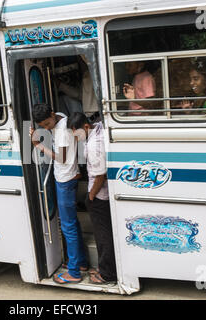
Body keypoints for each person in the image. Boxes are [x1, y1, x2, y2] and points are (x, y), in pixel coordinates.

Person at [30, 103, 88, 284]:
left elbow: (61, 158)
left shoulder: (62, 132)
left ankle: (74, 273)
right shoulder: (61, 118)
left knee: (68, 227)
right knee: (73, 224)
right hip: (68, 177)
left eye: (47, 124)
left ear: (53, 114)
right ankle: (81, 262)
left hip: (64, 180)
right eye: (44, 126)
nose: (47, 128)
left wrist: (38, 145)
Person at [67, 112, 117, 284]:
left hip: (100, 197)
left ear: (86, 127)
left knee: (103, 236)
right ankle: (105, 268)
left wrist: (90, 196)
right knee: (106, 234)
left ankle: (107, 274)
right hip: (104, 194)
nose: (77, 138)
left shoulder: (93, 146)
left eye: (78, 134)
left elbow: (99, 176)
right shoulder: (98, 128)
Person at [56, 56, 100, 121]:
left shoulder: (90, 75)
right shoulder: (87, 75)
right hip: (92, 118)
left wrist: (61, 86)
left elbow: (79, 95)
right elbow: (81, 95)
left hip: (98, 117)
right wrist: (61, 86)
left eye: (80, 60)